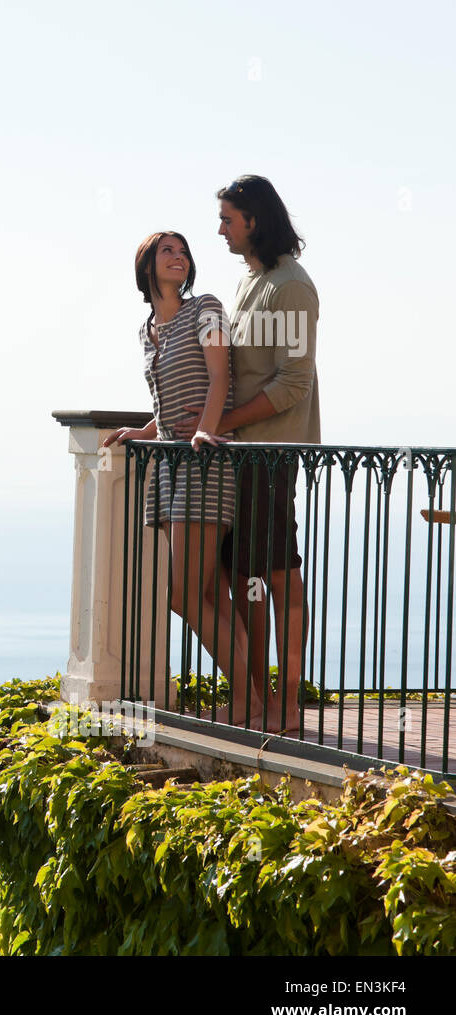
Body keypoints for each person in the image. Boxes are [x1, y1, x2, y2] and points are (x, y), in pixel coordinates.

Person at [175, 176, 319, 734]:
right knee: (246, 578)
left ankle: (286, 706)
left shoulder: (292, 287)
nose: (219, 230)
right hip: (239, 458)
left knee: (279, 575)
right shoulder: (247, 284)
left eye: (228, 220)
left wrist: (218, 426)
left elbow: (292, 386)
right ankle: (254, 699)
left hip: (270, 456)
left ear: (253, 221)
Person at [104, 232, 262, 717]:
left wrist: (205, 433)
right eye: (166, 251)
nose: (179, 257)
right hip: (171, 465)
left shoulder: (206, 309)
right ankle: (251, 697)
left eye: (183, 251)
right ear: (146, 266)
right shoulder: (147, 328)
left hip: (205, 460)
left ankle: (247, 699)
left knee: (182, 595)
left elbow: (220, 380)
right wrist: (144, 429)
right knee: (209, 592)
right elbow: (169, 402)